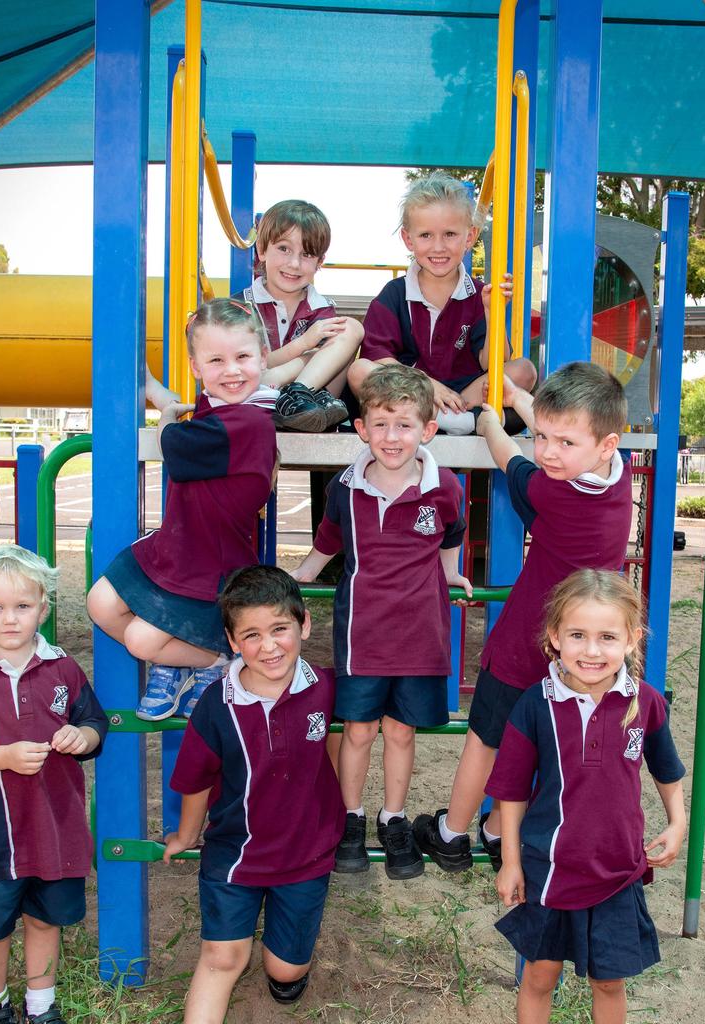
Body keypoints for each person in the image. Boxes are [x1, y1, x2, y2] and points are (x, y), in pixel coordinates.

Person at [414, 361, 633, 873]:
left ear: (605, 444)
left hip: (524, 644)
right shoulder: (613, 477)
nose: (550, 452)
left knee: (485, 740)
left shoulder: (555, 491)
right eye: (544, 437)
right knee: (544, 745)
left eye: (564, 444)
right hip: (580, 651)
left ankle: (450, 834)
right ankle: (496, 831)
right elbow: (563, 429)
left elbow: (512, 462)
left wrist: (494, 422)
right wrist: (517, 398)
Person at [292, 364, 472, 880]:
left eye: (405, 425)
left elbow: (452, 533)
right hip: (361, 636)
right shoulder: (345, 490)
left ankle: (393, 820)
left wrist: (452, 573)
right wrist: (301, 575)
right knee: (359, 730)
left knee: (400, 731)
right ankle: (351, 817)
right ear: (361, 428)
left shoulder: (444, 488)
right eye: (381, 424)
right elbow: (328, 539)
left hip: (420, 637)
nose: (392, 437)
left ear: (427, 430)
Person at [489, 569, 686, 1024]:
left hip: (617, 870)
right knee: (539, 976)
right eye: (577, 635)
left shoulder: (646, 702)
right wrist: (512, 861)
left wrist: (678, 822)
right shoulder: (535, 705)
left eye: (607, 636)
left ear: (632, 638)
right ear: (555, 637)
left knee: (609, 981)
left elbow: (667, 767)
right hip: (549, 870)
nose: (592, 650)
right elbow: (512, 793)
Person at [163, 565, 344, 1022]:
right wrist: (185, 835)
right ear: (232, 641)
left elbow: (347, 745)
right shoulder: (216, 704)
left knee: (285, 970)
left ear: (304, 623)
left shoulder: (326, 689)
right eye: (252, 635)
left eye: (279, 629)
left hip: (305, 853)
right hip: (234, 854)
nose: (268, 647)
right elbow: (196, 780)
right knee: (222, 959)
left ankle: (286, 968)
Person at [87, 298, 278, 721]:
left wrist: (166, 423)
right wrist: (152, 387)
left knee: (139, 638)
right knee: (100, 603)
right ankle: (180, 662)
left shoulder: (251, 423)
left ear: (263, 358)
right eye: (216, 360)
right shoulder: (219, 411)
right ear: (196, 367)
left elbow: (175, 444)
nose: (231, 370)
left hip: (209, 569)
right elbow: (187, 413)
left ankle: (215, 661)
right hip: (177, 550)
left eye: (243, 357)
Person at [0, 545, 107, 1024]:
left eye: (22, 606)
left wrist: (83, 735)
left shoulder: (63, 668)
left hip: (56, 827)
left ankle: (41, 1004)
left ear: (44, 608)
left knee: (45, 917)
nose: (10, 619)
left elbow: (94, 722)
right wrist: (5, 757)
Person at [347, 171, 536, 435]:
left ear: (469, 237)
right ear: (408, 239)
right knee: (359, 371)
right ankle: (459, 422)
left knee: (524, 370)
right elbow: (378, 357)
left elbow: (492, 363)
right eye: (426, 235)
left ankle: (454, 419)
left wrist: (493, 313)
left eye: (450, 234)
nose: (438, 247)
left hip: (465, 395)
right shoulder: (395, 293)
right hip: (411, 396)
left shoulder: (479, 293)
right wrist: (426, 384)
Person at [237, 199, 364, 432]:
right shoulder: (240, 307)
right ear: (262, 250)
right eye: (284, 249)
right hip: (254, 395)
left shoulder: (321, 309)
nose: (294, 263)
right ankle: (292, 398)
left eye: (307, 254)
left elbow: (329, 370)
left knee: (352, 328)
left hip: (311, 404)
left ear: (319, 262)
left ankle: (296, 396)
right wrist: (304, 344)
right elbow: (247, 368)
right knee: (249, 365)